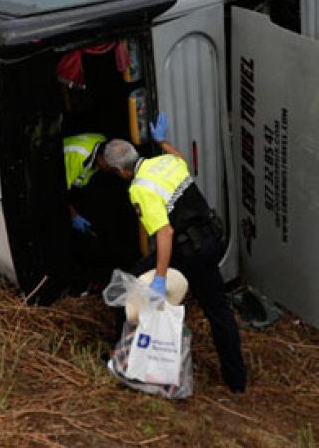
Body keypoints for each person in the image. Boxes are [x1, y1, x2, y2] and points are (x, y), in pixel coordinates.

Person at [98, 117, 247, 393]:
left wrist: (160, 277)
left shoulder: (140, 188)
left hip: (188, 250)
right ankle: (236, 380)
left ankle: (124, 357)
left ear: (120, 170)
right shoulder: (165, 161)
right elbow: (181, 160)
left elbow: (164, 233)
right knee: (218, 310)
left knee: (127, 287)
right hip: (211, 238)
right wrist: (163, 142)